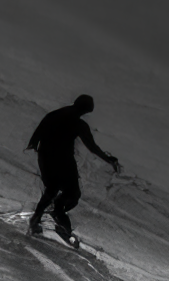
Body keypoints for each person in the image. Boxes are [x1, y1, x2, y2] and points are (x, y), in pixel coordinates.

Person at [28, 95, 120, 241]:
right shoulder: (78, 124)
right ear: (87, 109)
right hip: (63, 160)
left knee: (52, 189)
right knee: (71, 193)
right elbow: (92, 147)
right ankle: (56, 214)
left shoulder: (56, 114)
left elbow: (37, 134)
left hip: (47, 156)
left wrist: (37, 148)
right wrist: (108, 159)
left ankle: (39, 218)